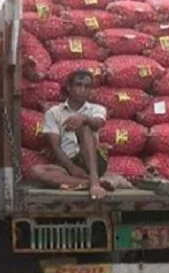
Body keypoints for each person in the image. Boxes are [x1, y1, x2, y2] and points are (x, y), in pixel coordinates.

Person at [31, 70, 110, 200]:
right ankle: (87, 182)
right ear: (69, 87)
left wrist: (84, 118)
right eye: (78, 85)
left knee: (84, 128)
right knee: (36, 171)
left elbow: (98, 123)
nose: (82, 90)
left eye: (87, 86)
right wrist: (72, 167)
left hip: (93, 162)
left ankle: (94, 181)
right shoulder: (54, 113)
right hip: (68, 163)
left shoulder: (97, 109)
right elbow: (56, 147)